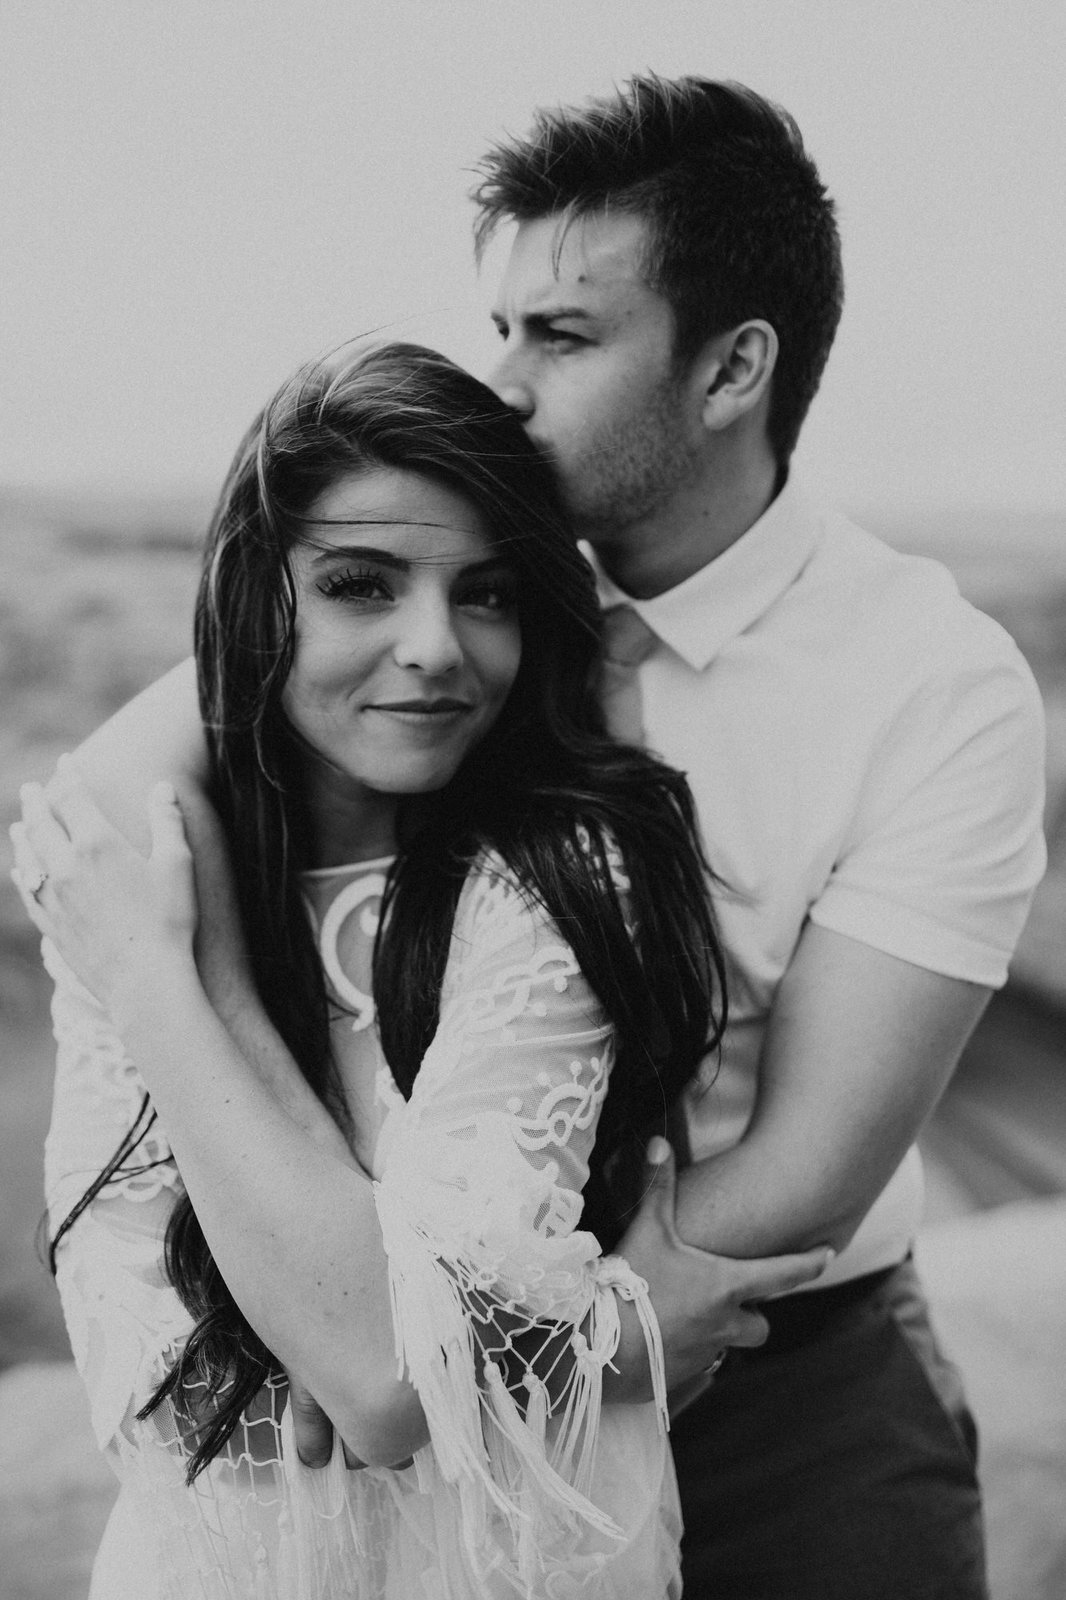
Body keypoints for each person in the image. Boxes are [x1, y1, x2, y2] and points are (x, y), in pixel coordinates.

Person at [12, 341, 828, 1600]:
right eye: (358, 583)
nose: (437, 647)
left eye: (489, 592)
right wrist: (585, 1342)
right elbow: (167, 1381)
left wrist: (182, 988)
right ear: (258, 600)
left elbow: (382, 1379)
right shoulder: (131, 869)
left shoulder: (559, 875)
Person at [472, 73, 1047, 1598]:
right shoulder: (441, 607)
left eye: (564, 338)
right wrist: (480, 1348)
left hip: (794, 1400)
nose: (503, 388)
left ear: (731, 370)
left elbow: (813, 1159)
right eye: (500, 332)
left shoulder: (932, 682)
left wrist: (568, 1326)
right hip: (447, 1369)